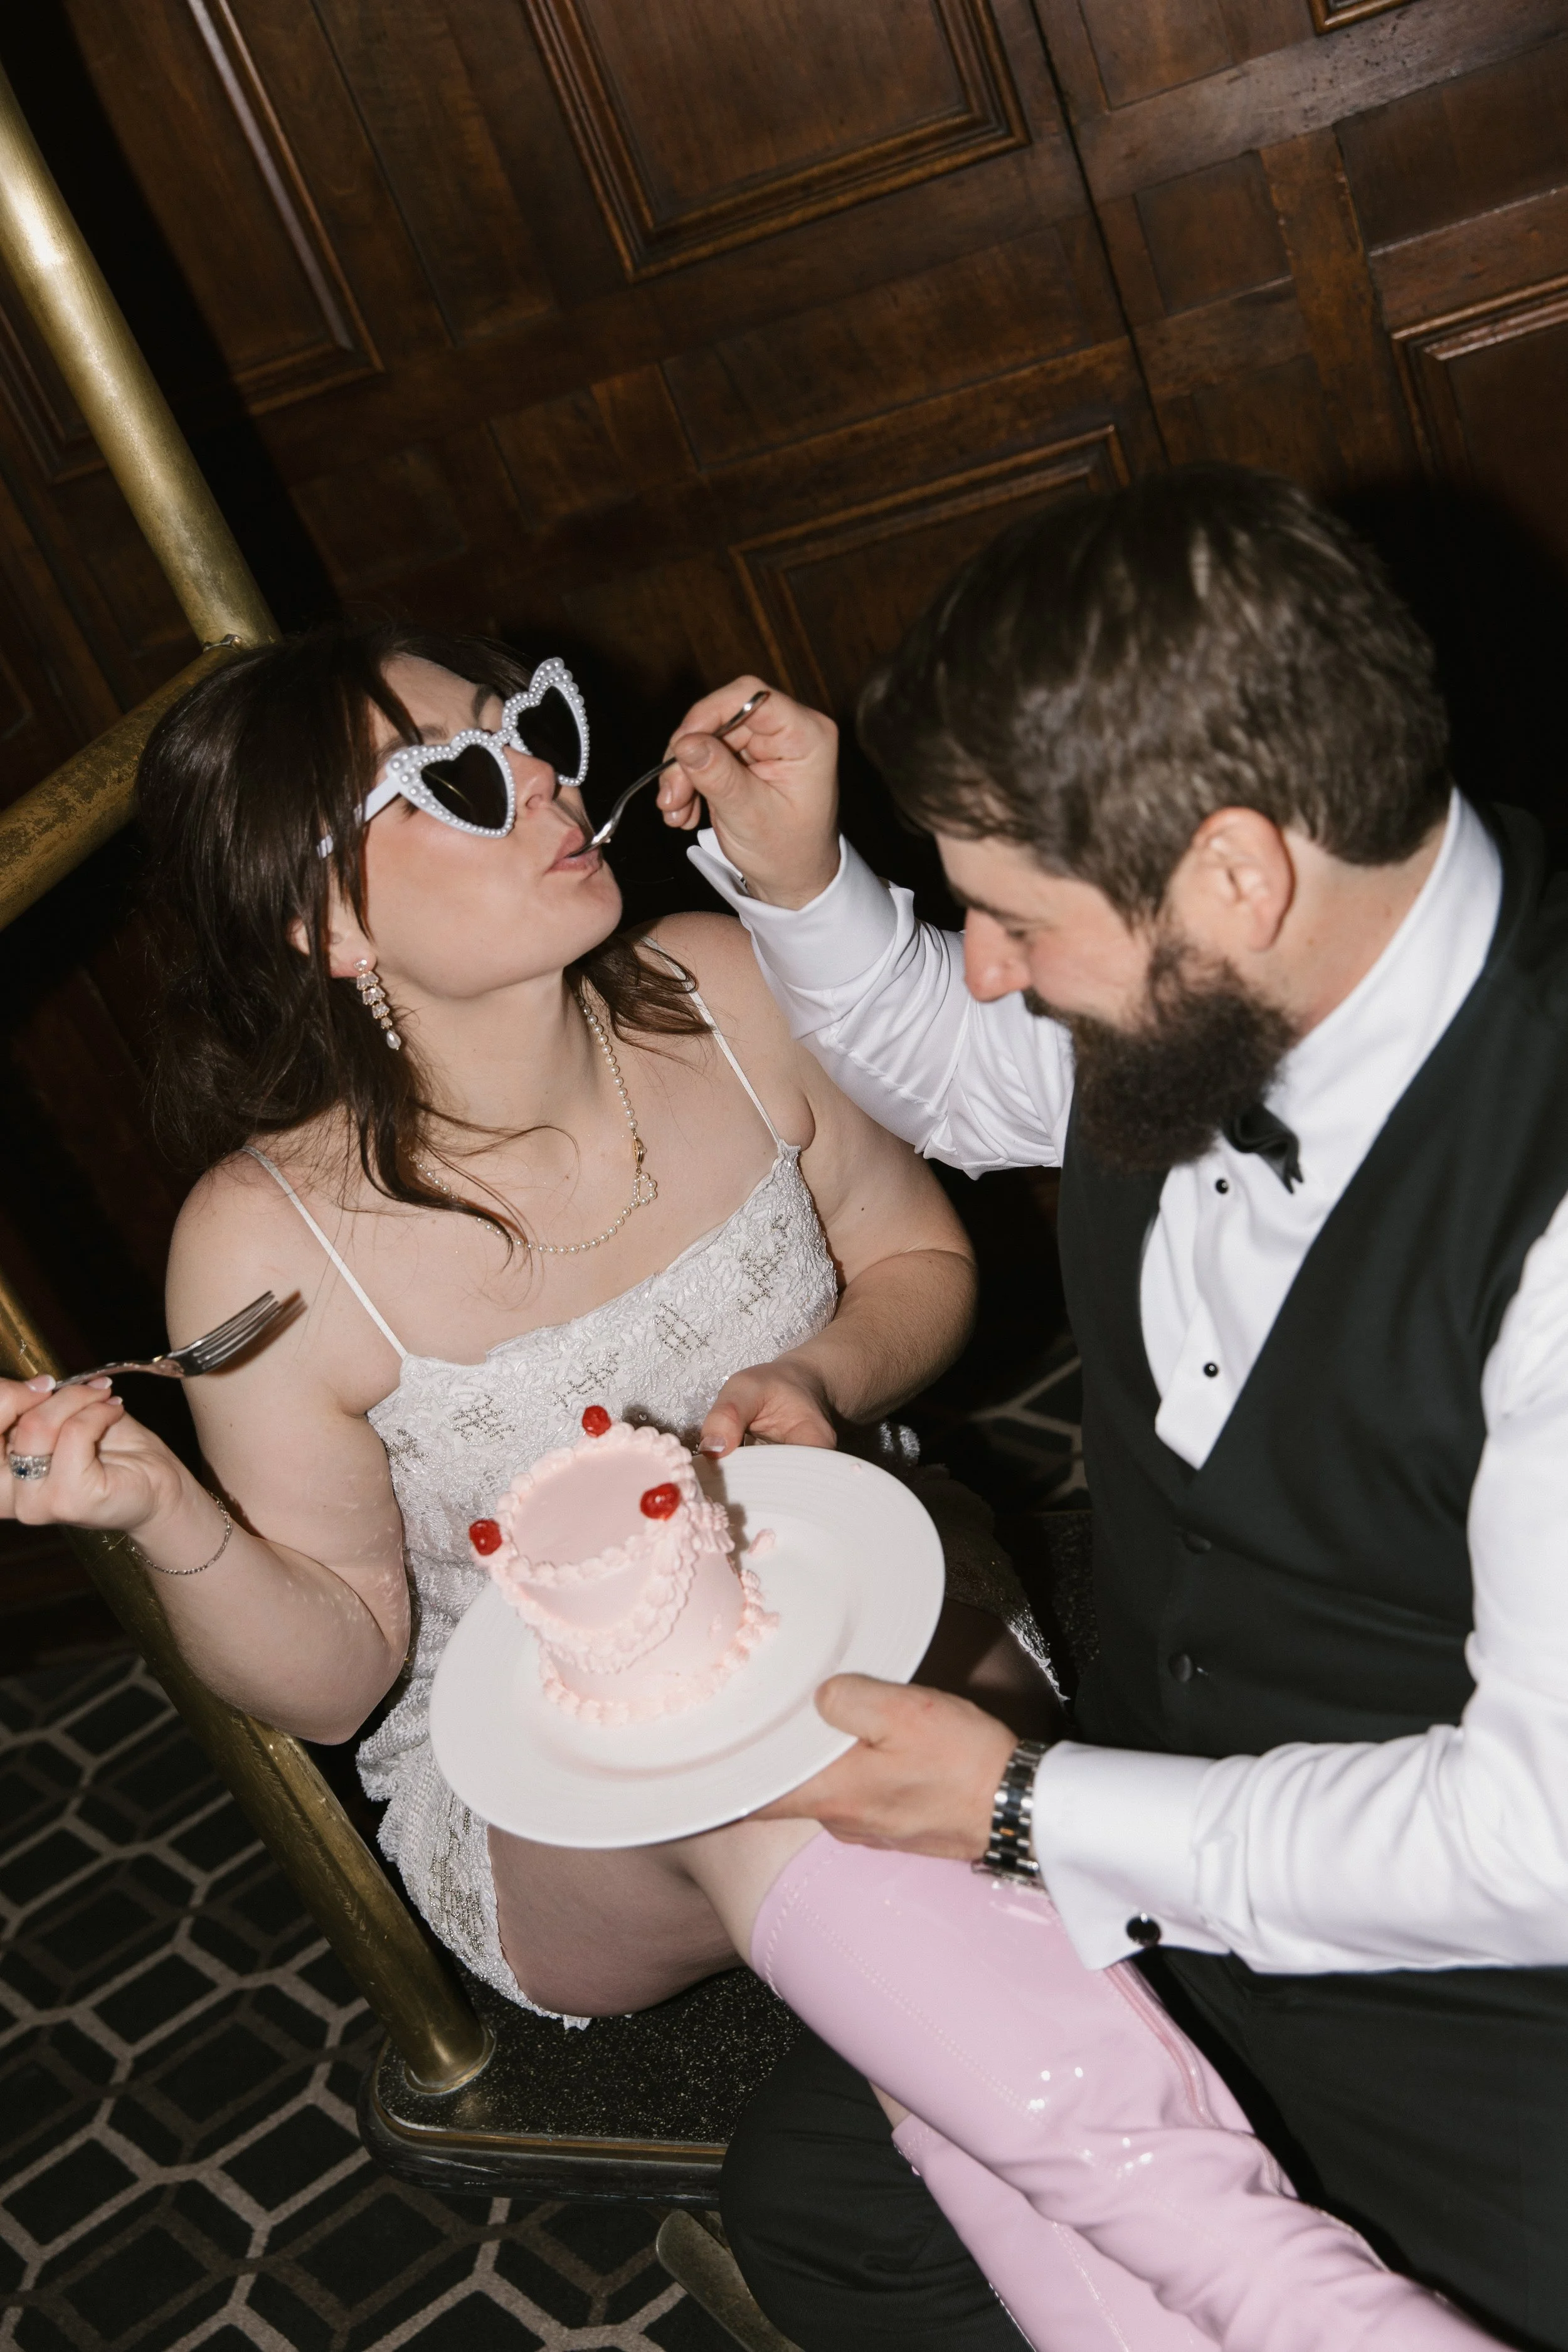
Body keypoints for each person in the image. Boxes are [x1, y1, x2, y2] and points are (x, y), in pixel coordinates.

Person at [0, 618, 1496, 2352]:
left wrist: (821, 1376)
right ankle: (1291, 2295)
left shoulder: (714, 985)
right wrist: (163, 1516)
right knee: (763, 1768)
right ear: (329, 920)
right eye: (464, 779)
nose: (549, 776)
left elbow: (915, 1255)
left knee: (888, 1916)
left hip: (889, 1592)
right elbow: (336, 1667)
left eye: (532, 729)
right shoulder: (265, 1241)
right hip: (559, 1809)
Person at [642, 464, 1568, 2351]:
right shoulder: (1215, 986)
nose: (983, 962)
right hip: (1149, 1822)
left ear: (1233, 868)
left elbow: (1528, 1842)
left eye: (1009, 917)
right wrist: (812, 881)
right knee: (819, 2208)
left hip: (1479, 1963)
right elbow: (968, 1068)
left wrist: (1023, 1809)